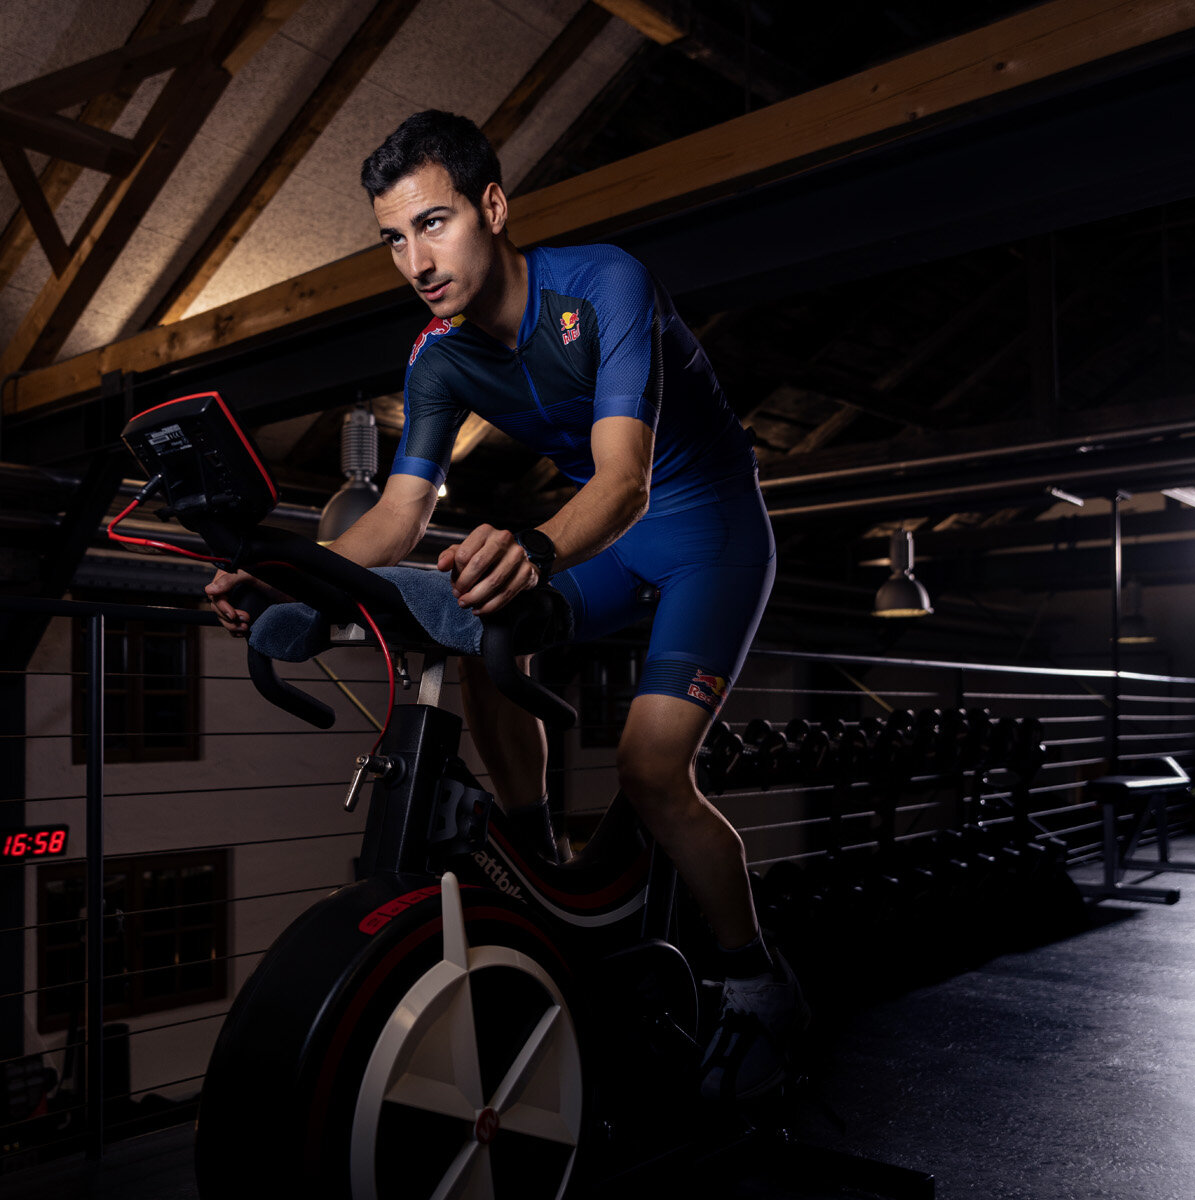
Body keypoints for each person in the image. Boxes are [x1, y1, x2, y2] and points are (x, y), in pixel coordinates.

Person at [207, 110, 805, 1102]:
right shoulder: (439, 355)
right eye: (394, 238)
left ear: (493, 206)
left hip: (707, 533)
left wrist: (531, 544)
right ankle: (536, 853)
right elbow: (400, 514)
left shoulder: (603, 283)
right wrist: (290, 575)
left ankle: (756, 984)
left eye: (434, 223)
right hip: (608, 532)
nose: (416, 259)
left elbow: (624, 482)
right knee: (481, 626)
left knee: (654, 771)